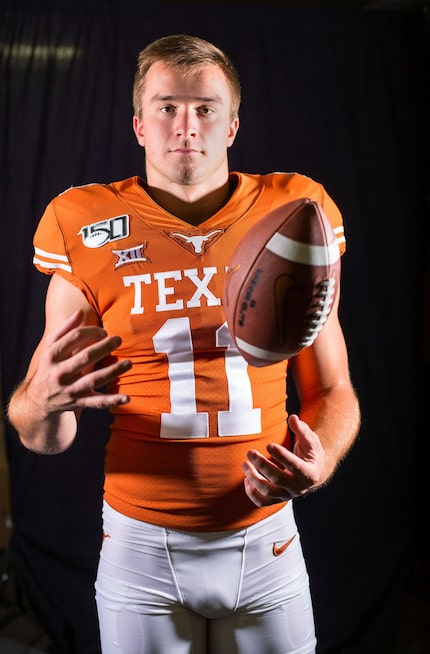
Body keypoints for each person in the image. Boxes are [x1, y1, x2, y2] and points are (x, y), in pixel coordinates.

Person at [7, 34, 360, 654]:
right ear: (139, 125)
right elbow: (45, 434)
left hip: (266, 538)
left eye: (205, 108)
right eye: (167, 107)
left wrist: (321, 460)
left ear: (233, 125)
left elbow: (333, 390)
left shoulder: (293, 210)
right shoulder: (83, 222)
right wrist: (40, 403)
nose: (186, 126)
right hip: (140, 544)